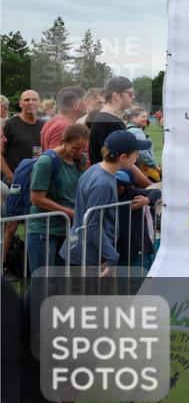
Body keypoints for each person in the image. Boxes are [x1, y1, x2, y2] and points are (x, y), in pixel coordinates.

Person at [61, 130, 152, 268]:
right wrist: (111, 256)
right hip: (88, 257)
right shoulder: (103, 184)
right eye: (135, 153)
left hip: (80, 249)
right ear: (123, 157)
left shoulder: (95, 169)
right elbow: (92, 226)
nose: (138, 156)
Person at [26, 124, 89, 273]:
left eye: (83, 149)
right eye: (76, 148)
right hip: (44, 229)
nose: (80, 152)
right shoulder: (46, 161)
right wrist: (70, 212)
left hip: (67, 229)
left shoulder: (80, 159)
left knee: (60, 279)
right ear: (64, 141)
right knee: (42, 279)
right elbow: (37, 199)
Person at [2, 90, 42, 269]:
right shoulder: (10, 125)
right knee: (11, 225)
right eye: (26, 99)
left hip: (37, 183)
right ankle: (3, 264)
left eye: (34, 99)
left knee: (34, 224)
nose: (30, 102)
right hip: (16, 183)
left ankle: (27, 264)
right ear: (20, 103)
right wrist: (10, 175)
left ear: (39, 102)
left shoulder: (43, 125)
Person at [87, 77, 150, 188]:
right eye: (130, 94)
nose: (133, 97)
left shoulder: (110, 119)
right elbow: (122, 161)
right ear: (116, 95)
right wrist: (150, 185)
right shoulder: (107, 122)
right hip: (113, 187)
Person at [113, 170, 160, 271]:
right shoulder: (112, 197)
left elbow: (157, 191)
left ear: (120, 188)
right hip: (121, 248)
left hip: (138, 248)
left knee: (142, 273)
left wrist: (147, 200)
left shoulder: (135, 194)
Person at [40, 86, 84, 151]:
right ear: (76, 105)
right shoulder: (65, 126)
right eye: (86, 100)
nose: (88, 104)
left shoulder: (53, 121)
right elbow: (57, 156)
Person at [125, 108, 160, 182]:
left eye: (146, 117)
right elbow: (142, 152)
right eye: (143, 117)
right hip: (141, 167)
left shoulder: (127, 128)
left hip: (130, 165)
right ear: (133, 118)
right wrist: (154, 165)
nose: (146, 119)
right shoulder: (137, 132)